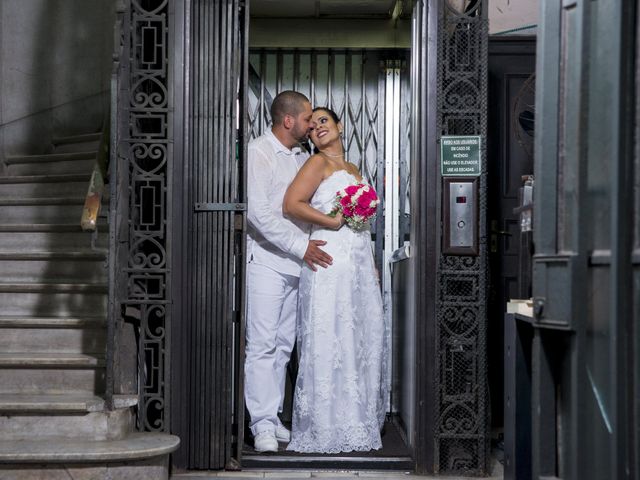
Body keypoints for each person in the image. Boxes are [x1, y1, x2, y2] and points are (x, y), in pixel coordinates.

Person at [282, 107, 388, 453]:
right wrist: (331, 222)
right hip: (330, 261)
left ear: (340, 125)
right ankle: (325, 425)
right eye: (311, 128)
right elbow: (292, 204)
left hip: (356, 263)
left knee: (357, 337)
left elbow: (361, 223)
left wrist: (370, 263)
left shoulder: (353, 169)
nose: (317, 130)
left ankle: (355, 419)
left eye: (323, 122)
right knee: (329, 336)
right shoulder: (317, 164)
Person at [245, 92, 333, 453]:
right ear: (288, 121)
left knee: (283, 345)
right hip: (267, 262)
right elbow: (258, 213)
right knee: (262, 345)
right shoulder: (259, 152)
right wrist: (300, 247)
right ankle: (261, 424)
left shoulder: (303, 157)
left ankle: (273, 416)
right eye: (308, 117)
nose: (312, 123)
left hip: (299, 265)